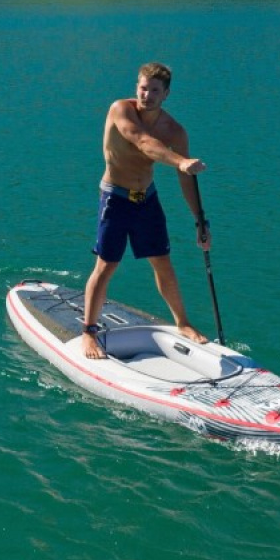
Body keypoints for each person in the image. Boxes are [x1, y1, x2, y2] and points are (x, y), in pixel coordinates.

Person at [82, 62, 210, 359]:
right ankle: (89, 331)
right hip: (115, 197)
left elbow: (185, 178)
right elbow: (142, 141)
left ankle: (184, 323)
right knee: (107, 264)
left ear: (165, 94)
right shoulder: (120, 110)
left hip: (146, 200)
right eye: (142, 88)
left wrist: (200, 221)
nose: (146, 95)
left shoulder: (175, 131)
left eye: (154, 90)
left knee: (162, 262)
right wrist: (179, 161)